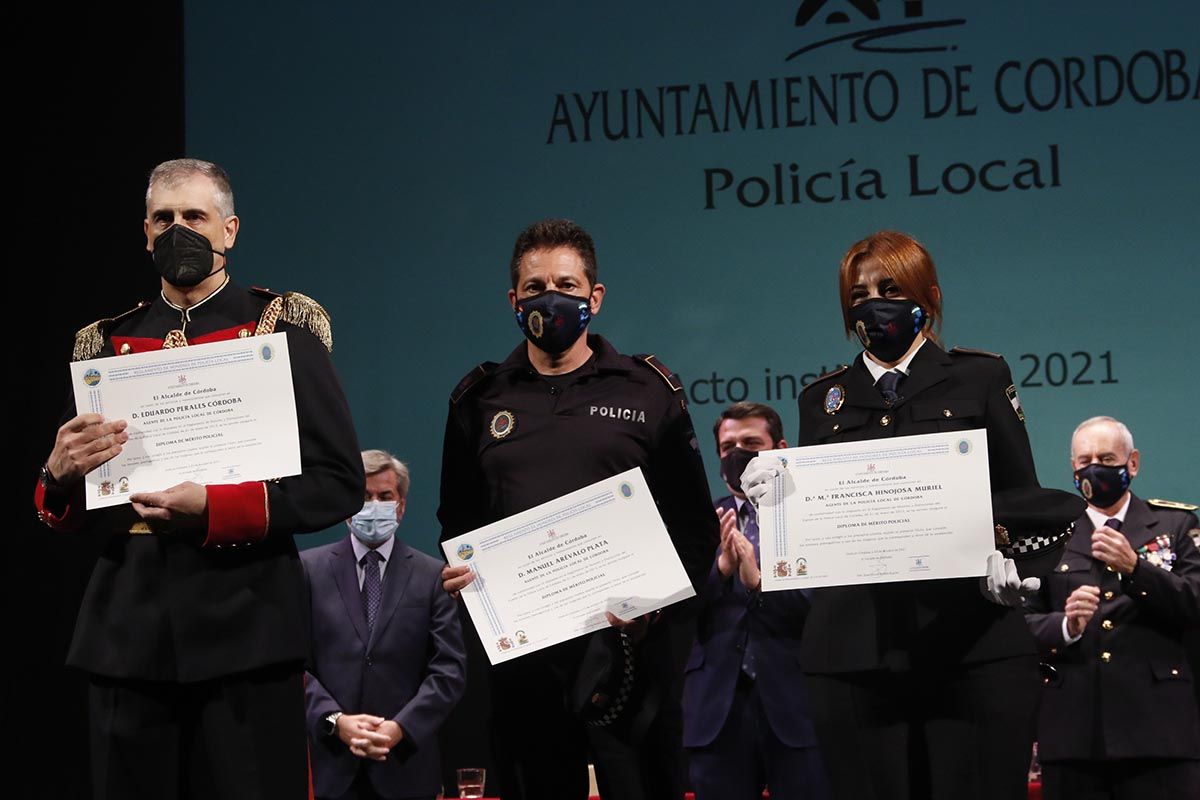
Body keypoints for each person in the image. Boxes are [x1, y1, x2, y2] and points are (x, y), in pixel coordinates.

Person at [33, 158, 364, 800]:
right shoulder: (104, 344)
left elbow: (338, 481)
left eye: (195, 216)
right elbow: (64, 500)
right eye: (164, 218)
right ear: (145, 233)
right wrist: (58, 471)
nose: (178, 229)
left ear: (230, 230)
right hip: (127, 633)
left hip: (249, 624)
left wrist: (215, 508)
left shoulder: (284, 328)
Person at [742, 230, 1045, 800]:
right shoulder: (820, 400)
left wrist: (1006, 553)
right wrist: (777, 506)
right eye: (858, 295)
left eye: (889, 288)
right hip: (853, 653)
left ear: (926, 297)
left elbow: (1018, 494)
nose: (873, 304)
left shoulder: (980, 377)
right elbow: (821, 525)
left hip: (971, 641)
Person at [438, 218, 719, 800]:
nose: (551, 299)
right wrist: (462, 573)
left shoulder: (648, 390)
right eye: (535, 286)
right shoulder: (478, 399)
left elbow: (693, 529)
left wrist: (652, 606)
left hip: (632, 652)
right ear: (513, 301)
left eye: (566, 285)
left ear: (595, 297)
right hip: (526, 659)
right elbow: (457, 522)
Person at [1024, 416, 1200, 800]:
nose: (1094, 469)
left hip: (1158, 729)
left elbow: (1194, 602)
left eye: (1106, 458)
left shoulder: (1176, 524)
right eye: (1084, 460)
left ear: (1132, 463)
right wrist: (1066, 626)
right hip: (1073, 732)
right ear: (1072, 467)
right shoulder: (1049, 538)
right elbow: (1019, 626)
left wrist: (1137, 569)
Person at [683, 402, 829, 800]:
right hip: (717, 710)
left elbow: (827, 610)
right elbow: (677, 612)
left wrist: (761, 584)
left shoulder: (814, 515)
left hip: (796, 702)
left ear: (779, 448)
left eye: (751, 443)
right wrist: (722, 571)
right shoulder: (699, 521)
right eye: (728, 447)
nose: (738, 454)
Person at [304, 450, 466, 800]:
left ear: (402, 506)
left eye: (384, 497)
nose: (373, 505)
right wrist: (335, 721)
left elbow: (449, 669)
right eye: (363, 497)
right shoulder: (308, 570)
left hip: (407, 765)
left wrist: (401, 728)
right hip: (333, 766)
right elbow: (294, 665)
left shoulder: (433, 576)